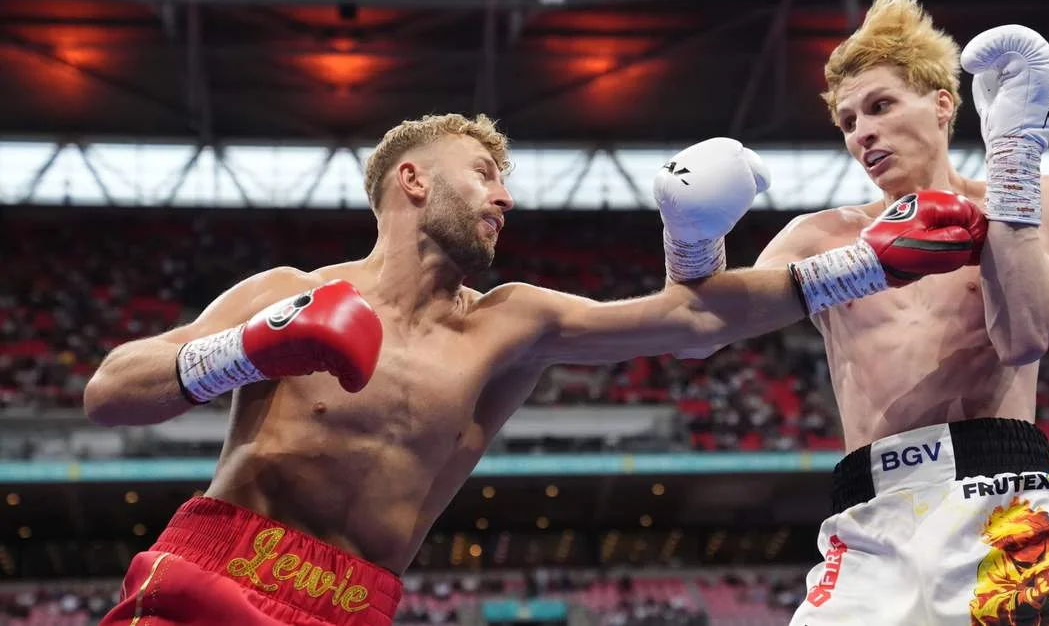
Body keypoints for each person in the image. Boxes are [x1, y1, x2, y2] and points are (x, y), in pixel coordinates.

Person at [84, 112, 988, 626]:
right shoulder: (290, 287)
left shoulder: (509, 325)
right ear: (411, 181)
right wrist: (250, 345)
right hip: (216, 572)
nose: (504, 195)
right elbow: (111, 392)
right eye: (483, 173)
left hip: (355, 607)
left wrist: (866, 262)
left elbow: (690, 315)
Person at [654, 0, 1049, 624]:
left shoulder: (1033, 197)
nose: (863, 133)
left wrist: (1012, 163)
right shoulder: (822, 236)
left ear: (943, 105)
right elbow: (696, 335)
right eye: (849, 121)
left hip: (1008, 509)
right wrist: (689, 239)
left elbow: (1024, 335)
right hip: (870, 523)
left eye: (881, 106)